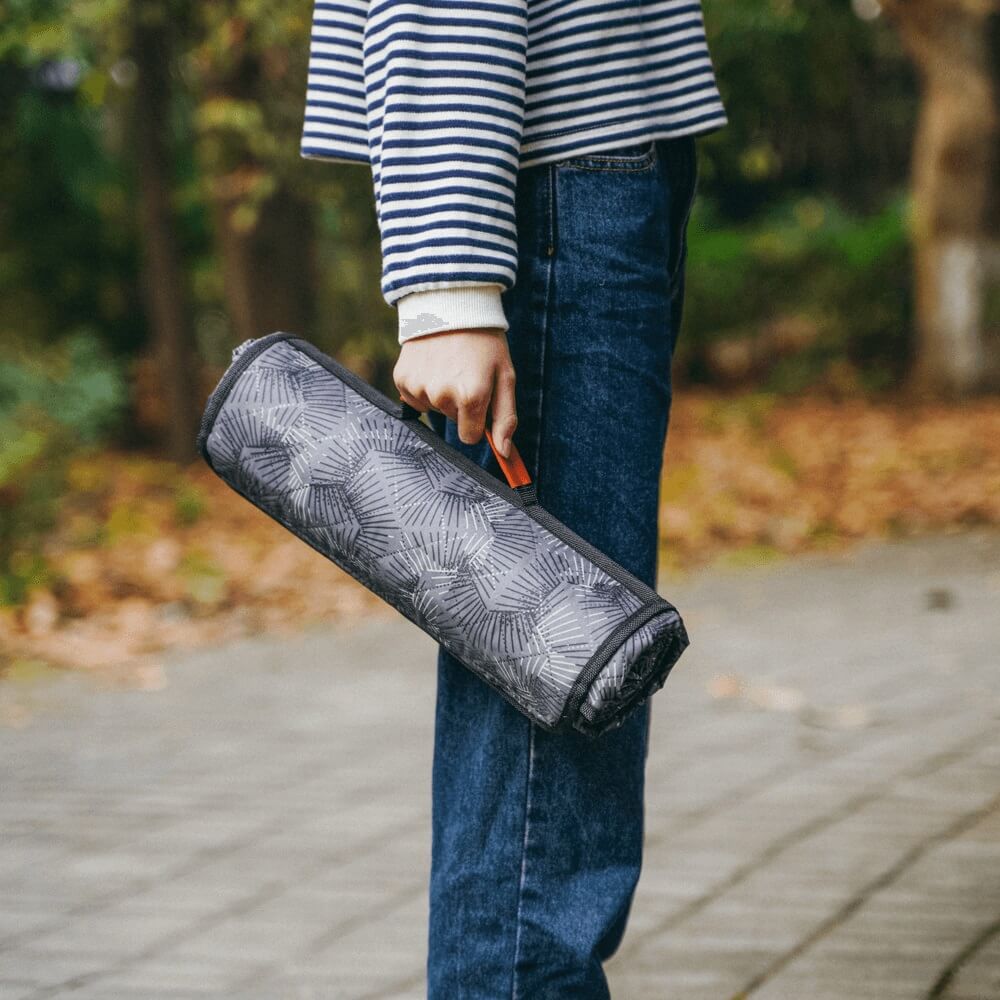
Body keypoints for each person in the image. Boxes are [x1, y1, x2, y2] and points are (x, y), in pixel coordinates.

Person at [300, 2, 727, 995]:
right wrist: (447, 279)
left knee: (564, 727)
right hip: (556, 178)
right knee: (552, 732)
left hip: (587, 161)